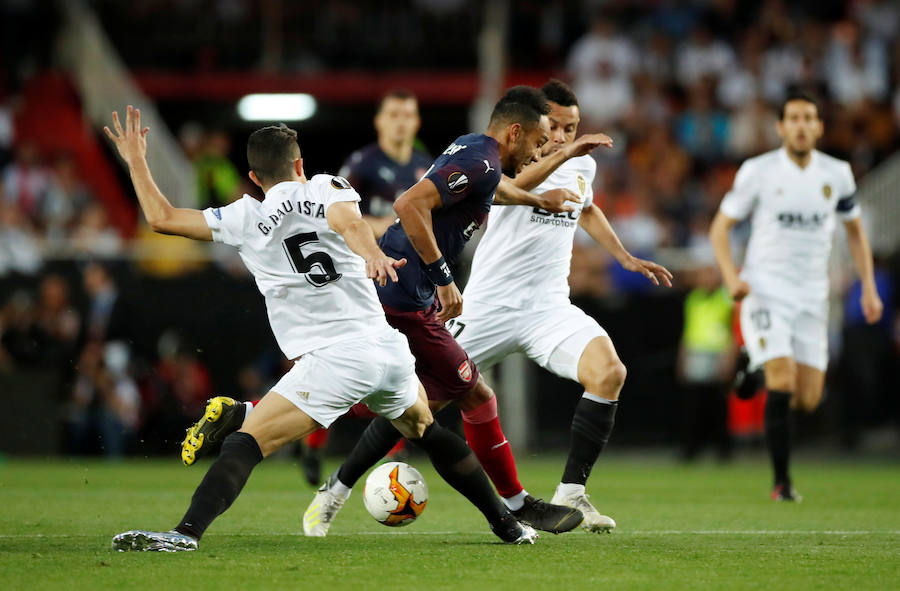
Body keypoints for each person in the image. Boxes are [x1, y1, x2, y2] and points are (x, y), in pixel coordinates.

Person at [106, 106, 540, 551]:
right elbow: (349, 223)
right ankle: (510, 527)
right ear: (299, 164)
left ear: (254, 179)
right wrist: (370, 253)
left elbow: (160, 218)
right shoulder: (328, 186)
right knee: (425, 429)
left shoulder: (241, 217)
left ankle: (184, 534)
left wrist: (137, 159)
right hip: (388, 350)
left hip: (335, 360)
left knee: (245, 444)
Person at [184, 86, 602, 537]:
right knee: (464, 396)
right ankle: (516, 510)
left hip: (400, 290)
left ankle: (327, 482)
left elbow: (494, 188)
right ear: (515, 131)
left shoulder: (470, 151)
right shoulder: (368, 166)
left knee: (411, 407)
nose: (544, 148)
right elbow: (395, 206)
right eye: (541, 140)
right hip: (402, 288)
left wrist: (538, 200)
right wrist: (442, 277)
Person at [446, 79, 672, 531]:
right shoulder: (507, 161)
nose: (564, 137)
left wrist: (624, 256)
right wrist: (564, 156)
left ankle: (572, 493)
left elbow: (586, 209)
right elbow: (504, 189)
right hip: (488, 306)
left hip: (548, 308)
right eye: (556, 127)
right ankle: (339, 486)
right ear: (533, 125)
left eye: (572, 129)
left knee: (609, 372)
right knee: (418, 402)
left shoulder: (578, 166)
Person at [708, 91, 883, 501]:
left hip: (813, 297)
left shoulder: (837, 174)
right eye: (794, 118)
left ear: (819, 127)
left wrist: (869, 287)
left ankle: (753, 368)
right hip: (766, 289)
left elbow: (855, 233)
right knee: (783, 381)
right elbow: (720, 228)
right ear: (781, 127)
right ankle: (782, 483)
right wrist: (732, 278)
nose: (801, 125)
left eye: (809, 118)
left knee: (808, 398)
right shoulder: (759, 171)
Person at [339, 89, 433, 238]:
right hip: (372, 256)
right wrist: (380, 226)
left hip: (415, 257)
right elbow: (337, 214)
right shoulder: (361, 163)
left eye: (408, 116)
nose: (401, 122)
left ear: (417, 122)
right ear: (378, 121)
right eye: (393, 115)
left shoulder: (428, 167)